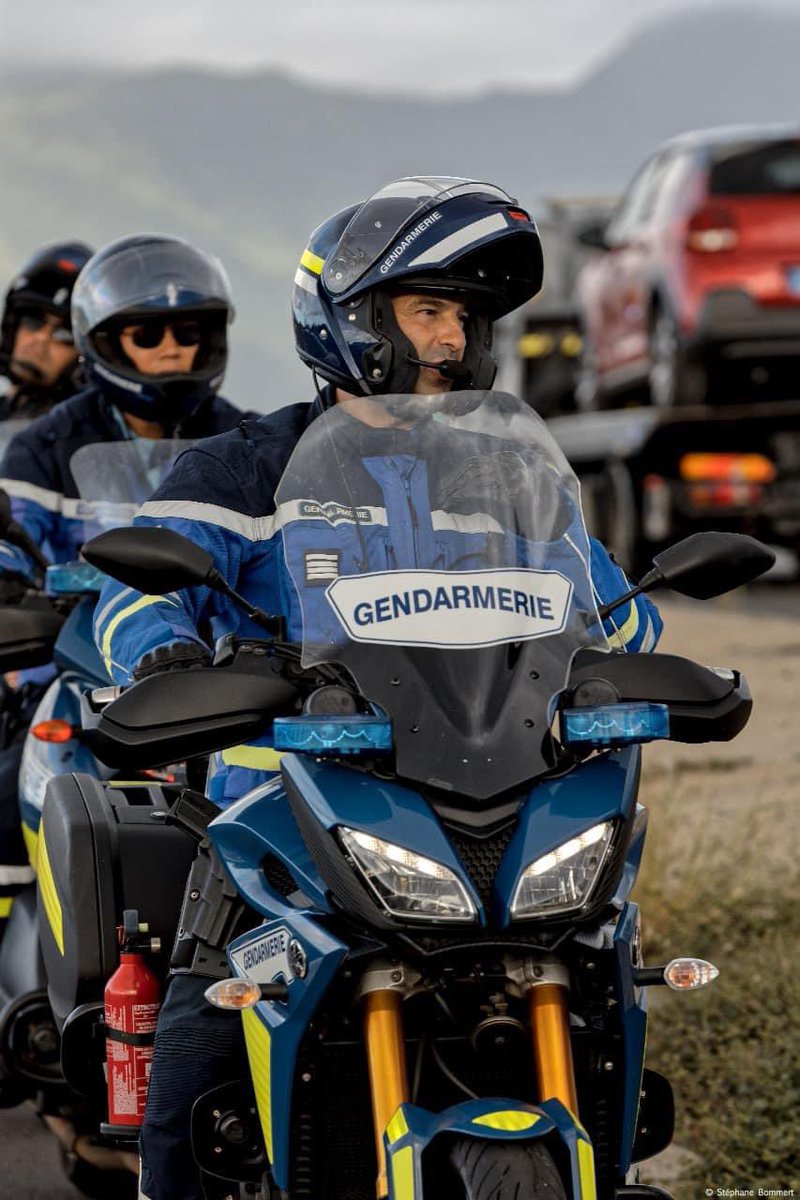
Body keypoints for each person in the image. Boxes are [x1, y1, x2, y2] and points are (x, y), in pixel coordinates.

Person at [93, 178, 662, 1200]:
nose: (451, 340)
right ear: (351, 318)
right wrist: (165, 654)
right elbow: (131, 587)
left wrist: (624, 651)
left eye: (466, 318)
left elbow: (613, 608)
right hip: (283, 813)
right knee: (194, 1071)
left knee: (603, 976)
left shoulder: (506, 476)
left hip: (492, 794)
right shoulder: (243, 469)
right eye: (427, 311)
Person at [0, 232, 250, 935]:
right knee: (12, 787)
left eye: (189, 331)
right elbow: (11, 553)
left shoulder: (250, 442)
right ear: (105, 343)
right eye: (148, 333)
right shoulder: (43, 446)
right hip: (75, 679)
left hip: (219, 681)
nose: (173, 348)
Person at [0, 241, 93, 421]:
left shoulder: (91, 433)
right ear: (11, 326)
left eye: (64, 334)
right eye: (33, 320)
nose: (41, 338)